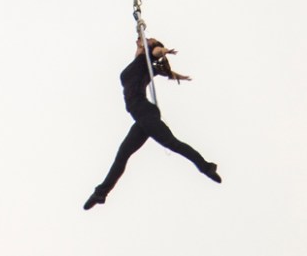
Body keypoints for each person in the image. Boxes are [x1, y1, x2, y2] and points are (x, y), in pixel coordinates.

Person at [83, 36, 221, 210]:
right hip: (141, 116)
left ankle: (206, 167)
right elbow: (163, 70)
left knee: (172, 143)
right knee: (123, 155)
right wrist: (177, 75)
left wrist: (164, 51)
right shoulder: (140, 65)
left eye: (149, 39)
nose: (144, 39)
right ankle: (100, 193)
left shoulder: (147, 58)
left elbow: (157, 51)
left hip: (145, 111)